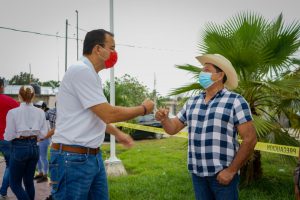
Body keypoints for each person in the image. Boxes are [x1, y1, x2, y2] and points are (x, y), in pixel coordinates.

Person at [50, 29, 154, 200]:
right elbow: (108, 114)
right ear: (98, 49)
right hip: (73, 159)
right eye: (111, 48)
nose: (114, 53)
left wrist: (119, 134)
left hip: (90, 157)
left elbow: (96, 116)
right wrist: (143, 109)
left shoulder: (92, 75)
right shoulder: (81, 71)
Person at [155, 54, 257, 200]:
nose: (201, 74)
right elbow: (173, 128)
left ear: (220, 75)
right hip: (198, 175)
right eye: (202, 70)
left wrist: (231, 171)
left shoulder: (235, 101)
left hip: (223, 176)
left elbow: (250, 139)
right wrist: (164, 119)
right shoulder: (192, 102)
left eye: (207, 70)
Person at [4, 85, 48, 200]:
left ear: (19, 96)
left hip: (19, 147)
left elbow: (8, 136)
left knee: (14, 184)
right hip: (34, 147)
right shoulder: (40, 112)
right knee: (28, 182)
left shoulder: (13, 112)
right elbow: (44, 134)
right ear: (33, 96)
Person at [0, 78, 19, 199]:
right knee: (10, 165)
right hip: (5, 138)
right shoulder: (10, 101)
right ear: (1, 86)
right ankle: (2, 193)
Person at [33, 101, 51, 183]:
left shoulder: (45, 116)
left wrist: (42, 138)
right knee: (38, 157)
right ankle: (40, 173)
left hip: (44, 140)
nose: (36, 108)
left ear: (43, 107)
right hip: (38, 139)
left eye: (38, 106)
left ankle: (45, 175)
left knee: (43, 157)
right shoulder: (38, 115)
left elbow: (49, 130)